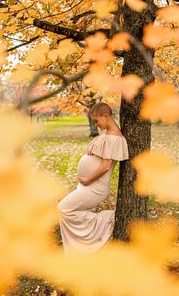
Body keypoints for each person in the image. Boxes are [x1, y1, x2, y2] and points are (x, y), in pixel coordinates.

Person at [57, 102, 129, 253]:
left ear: (106, 116)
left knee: (63, 209)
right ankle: (81, 245)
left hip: (95, 187)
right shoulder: (108, 135)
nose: (96, 125)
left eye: (97, 120)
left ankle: (107, 219)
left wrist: (88, 179)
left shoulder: (114, 137)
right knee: (66, 209)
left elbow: (105, 166)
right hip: (88, 186)